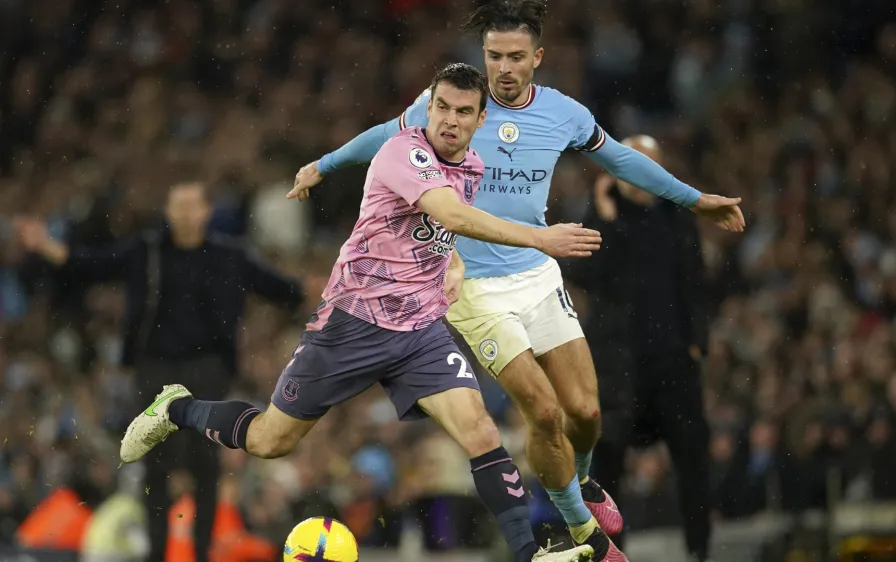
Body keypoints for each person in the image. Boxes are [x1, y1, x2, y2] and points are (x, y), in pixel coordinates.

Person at [289, 1, 744, 560]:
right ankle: (583, 529)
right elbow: (383, 135)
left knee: (586, 413)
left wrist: (695, 200)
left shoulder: (563, 114)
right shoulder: (453, 108)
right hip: (471, 289)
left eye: (515, 57)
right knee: (544, 412)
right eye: (493, 55)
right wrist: (324, 164)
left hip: (536, 275)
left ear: (537, 58)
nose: (503, 67)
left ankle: (580, 481)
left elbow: (622, 160)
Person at [119, 63, 599, 562]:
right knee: (269, 440)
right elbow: (450, 213)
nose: (449, 120)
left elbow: (444, 227)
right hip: (352, 324)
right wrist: (540, 238)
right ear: (427, 107)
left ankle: (531, 554)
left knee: (480, 429)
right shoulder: (403, 151)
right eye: (441, 107)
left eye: (463, 112)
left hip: (420, 331)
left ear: (480, 121)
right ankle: (175, 407)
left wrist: (453, 263)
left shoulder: (472, 167)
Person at [16, 182, 307, 562]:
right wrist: (45, 246)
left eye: (192, 206)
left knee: (205, 463)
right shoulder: (147, 250)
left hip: (209, 368)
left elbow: (277, 287)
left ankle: (199, 554)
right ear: (168, 212)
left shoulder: (229, 255)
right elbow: (91, 265)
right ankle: (157, 554)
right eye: (177, 206)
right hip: (156, 367)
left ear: (206, 211)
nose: (185, 214)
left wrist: (321, 289)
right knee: (156, 464)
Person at [574, 135, 714, 562]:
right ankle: (611, 554)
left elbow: (694, 283)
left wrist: (697, 345)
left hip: (672, 360)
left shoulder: (677, 215)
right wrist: (606, 217)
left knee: (693, 456)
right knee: (608, 465)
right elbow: (587, 275)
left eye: (649, 165)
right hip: (619, 365)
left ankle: (699, 550)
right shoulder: (600, 216)